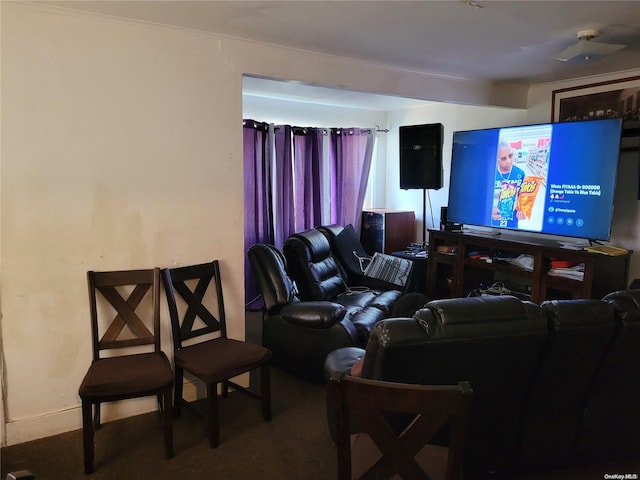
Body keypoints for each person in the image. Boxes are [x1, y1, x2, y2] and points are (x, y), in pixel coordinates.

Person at [493, 140, 526, 228]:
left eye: (510, 156)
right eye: (503, 158)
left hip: (512, 225)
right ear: (496, 159)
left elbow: (522, 199)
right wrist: (488, 212)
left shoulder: (520, 174)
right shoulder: (490, 174)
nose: (508, 161)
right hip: (491, 226)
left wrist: (523, 210)